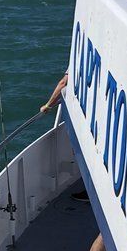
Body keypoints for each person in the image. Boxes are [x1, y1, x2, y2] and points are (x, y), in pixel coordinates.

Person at [41, 73, 90, 204]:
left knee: (86, 155)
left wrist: (48, 105)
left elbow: (64, 82)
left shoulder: (77, 57)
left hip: (85, 118)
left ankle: (92, 192)